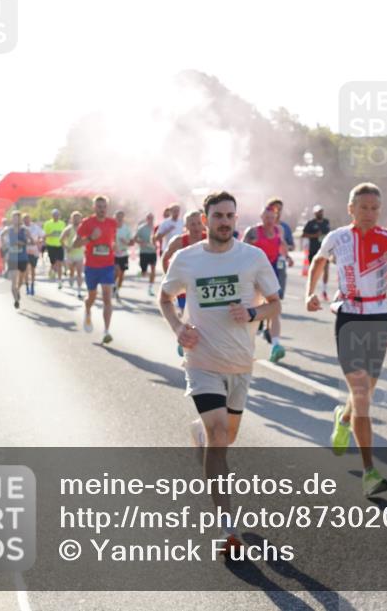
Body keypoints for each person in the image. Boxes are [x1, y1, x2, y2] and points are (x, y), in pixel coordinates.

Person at [159, 191, 281, 559]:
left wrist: (253, 314)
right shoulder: (186, 259)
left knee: (225, 437)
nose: (225, 222)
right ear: (206, 219)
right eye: (218, 216)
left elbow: (274, 304)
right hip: (202, 360)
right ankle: (227, 527)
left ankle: (199, 432)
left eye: (230, 215)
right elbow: (166, 297)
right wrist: (178, 328)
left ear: (236, 219)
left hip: (240, 362)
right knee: (218, 435)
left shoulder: (253, 257)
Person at [305, 182, 387, 497]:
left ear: (379, 211)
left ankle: (342, 417)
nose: (368, 213)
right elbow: (318, 261)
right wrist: (309, 292)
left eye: (374, 208)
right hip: (349, 316)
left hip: (379, 317)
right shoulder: (337, 237)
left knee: (364, 391)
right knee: (361, 394)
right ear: (351, 208)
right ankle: (370, 472)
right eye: (362, 207)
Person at [243, 205, 290, 363]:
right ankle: (245, 348)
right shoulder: (254, 231)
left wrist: (287, 256)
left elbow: (281, 244)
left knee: (274, 307)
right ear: (261, 217)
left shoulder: (279, 230)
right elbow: (241, 249)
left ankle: (276, 346)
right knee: (253, 310)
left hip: (272, 273)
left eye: (272, 218)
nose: (270, 221)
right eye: (267, 218)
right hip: (254, 274)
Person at [73, 196, 118, 344]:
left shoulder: (112, 223)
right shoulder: (87, 223)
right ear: (94, 207)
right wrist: (91, 238)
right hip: (91, 266)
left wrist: (116, 246)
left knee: (107, 296)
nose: (102, 209)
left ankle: (106, 331)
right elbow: (75, 244)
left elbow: (113, 241)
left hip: (107, 265)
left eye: (104, 206)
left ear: (107, 208)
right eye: (99, 206)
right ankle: (87, 310)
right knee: (91, 296)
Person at [163, 211, 205, 357]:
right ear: (186, 226)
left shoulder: (209, 240)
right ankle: (184, 339)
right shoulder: (179, 242)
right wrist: (170, 279)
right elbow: (165, 258)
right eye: (192, 224)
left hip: (203, 286)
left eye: (199, 223)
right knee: (187, 315)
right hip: (183, 286)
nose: (196, 227)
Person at [266, 197, 296, 303]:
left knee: (277, 294)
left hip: (279, 261)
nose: (277, 211)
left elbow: (292, 246)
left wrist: (287, 254)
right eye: (275, 208)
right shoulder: (260, 228)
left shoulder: (284, 227)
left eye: (280, 209)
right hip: (264, 262)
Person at [0, 212, 30, 309]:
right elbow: (1, 235)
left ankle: (18, 290)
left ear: (20, 219)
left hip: (23, 258)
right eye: (14, 218)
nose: (16, 220)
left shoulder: (24, 229)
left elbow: (29, 240)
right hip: (12, 258)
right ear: (12, 219)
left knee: (21, 281)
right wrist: (3, 244)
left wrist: (22, 242)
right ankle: (16, 300)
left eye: (17, 218)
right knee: (13, 282)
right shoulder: (9, 229)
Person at [302, 205, 331, 300]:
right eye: (318, 212)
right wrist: (314, 235)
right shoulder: (310, 223)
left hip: (325, 250)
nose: (320, 213)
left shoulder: (326, 222)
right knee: (314, 272)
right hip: (314, 250)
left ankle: (324, 290)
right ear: (315, 213)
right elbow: (304, 234)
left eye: (321, 211)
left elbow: (328, 234)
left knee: (326, 270)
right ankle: (311, 291)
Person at [60, 212, 85, 299]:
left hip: (79, 254)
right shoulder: (68, 229)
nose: (76, 220)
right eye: (74, 218)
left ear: (81, 219)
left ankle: (79, 291)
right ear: (71, 219)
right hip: (70, 254)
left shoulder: (83, 229)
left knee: (79, 273)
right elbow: (61, 240)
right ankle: (70, 277)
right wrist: (66, 248)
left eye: (78, 218)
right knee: (71, 271)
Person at [113, 210, 134, 301]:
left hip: (124, 253)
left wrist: (126, 242)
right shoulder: (112, 227)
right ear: (115, 217)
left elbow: (132, 242)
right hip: (114, 253)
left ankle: (117, 289)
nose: (119, 218)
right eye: (118, 216)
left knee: (121, 274)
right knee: (116, 271)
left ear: (123, 218)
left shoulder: (126, 229)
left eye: (121, 216)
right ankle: (113, 285)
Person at [135, 213, 158, 296]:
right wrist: (141, 242)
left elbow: (159, 238)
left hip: (152, 252)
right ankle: (142, 272)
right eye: (149, 218)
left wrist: (156, 244)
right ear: (147, 219)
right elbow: (135, 238)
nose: (150, 220)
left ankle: (150, 288)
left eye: (152, 218)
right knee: (144, 273)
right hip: (144, 252)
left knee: (153, 270)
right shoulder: (141, 228)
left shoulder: (155, 228)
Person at [43, 209, 66, 288]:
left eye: (57, 215)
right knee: (53, 263)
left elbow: (64, 234)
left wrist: (64, 243)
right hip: (51, 245)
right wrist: (51, 234)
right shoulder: (47, 224)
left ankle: (59, 280)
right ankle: (52, 270)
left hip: (59, 245)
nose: (56, 216)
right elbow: (44, 236)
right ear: (52, 215)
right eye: (54, 215)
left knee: (59, 263)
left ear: (59, 215)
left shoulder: (62, 223)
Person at [22, 214, 43, 296]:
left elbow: (42, 236)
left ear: (30, 219)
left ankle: (32, 286)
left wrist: (39, 241)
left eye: (27, 219)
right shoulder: (21, 228)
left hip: (34, 251)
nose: (26, 220)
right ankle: (27, 287)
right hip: (25, 252)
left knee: (33, 270)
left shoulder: (35, 227)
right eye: (24, 219)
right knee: (26, 270)